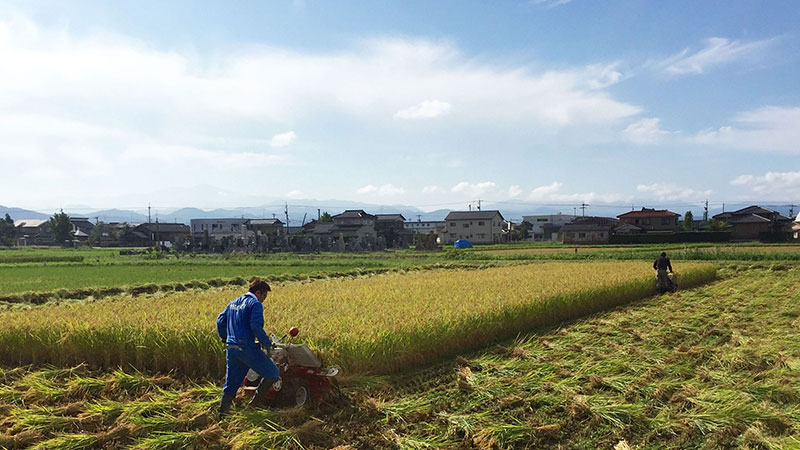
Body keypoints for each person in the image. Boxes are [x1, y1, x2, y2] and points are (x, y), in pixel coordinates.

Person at [215, 279, 280, 420]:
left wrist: (225, 337)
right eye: (264, 296)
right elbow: (256, 326)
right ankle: (255, 404)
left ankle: (222, 416)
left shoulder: (233, 303)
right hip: (246, 347)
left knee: (231, 383)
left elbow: (220, 321)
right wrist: (267, 344)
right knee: (273, 373)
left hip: (231, 348)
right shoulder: (255, 304)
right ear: (258, 292)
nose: (264, 299)